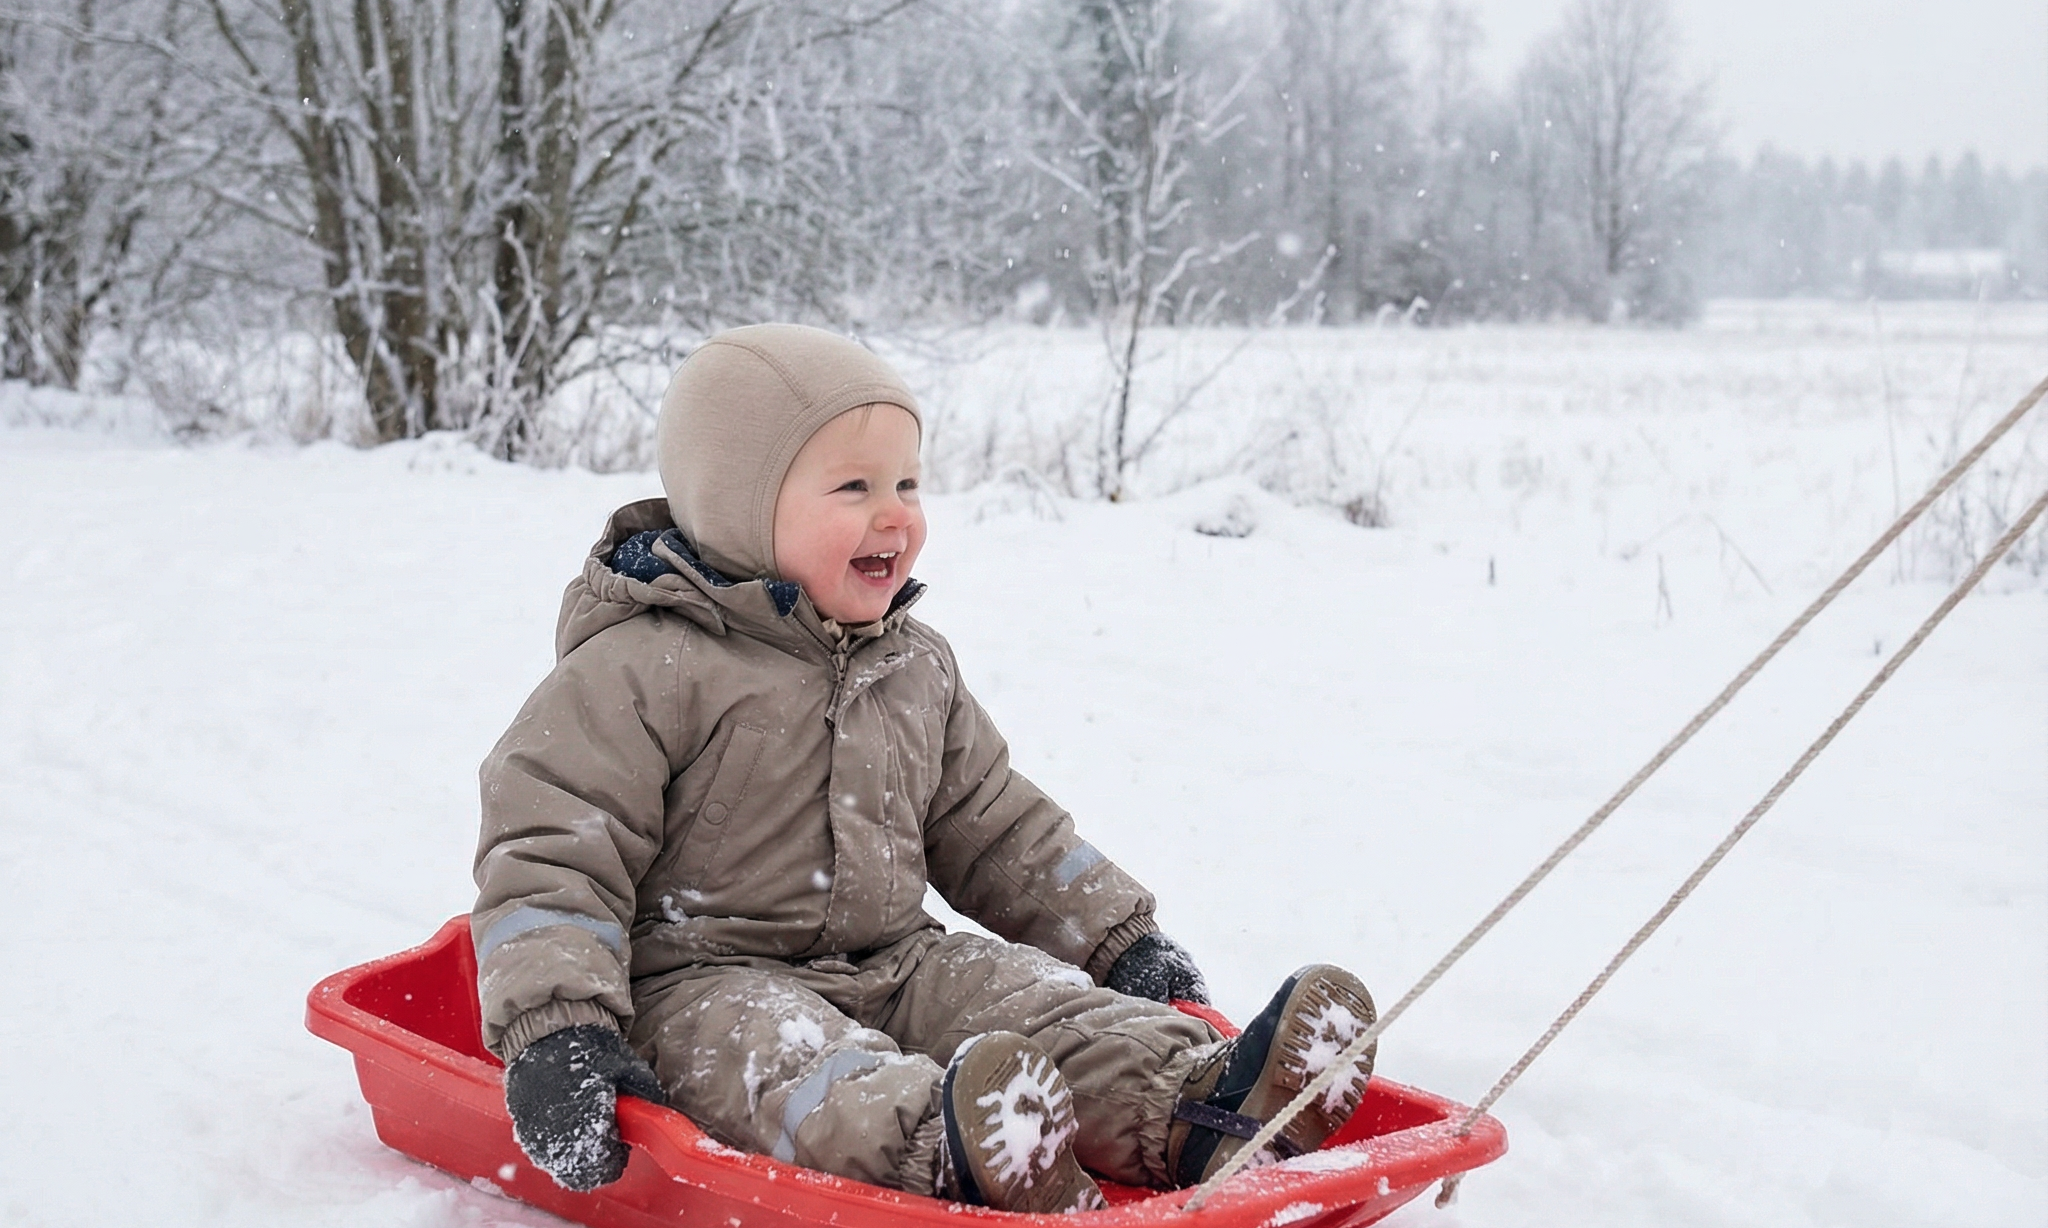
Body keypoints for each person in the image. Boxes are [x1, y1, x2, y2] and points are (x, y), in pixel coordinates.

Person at [470, 324, 1377, 1214]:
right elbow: (551, 854)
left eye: (908, 481)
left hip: (895, 962)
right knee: (792, 1064)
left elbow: (997, 825)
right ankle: (957, 1153)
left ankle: (1196, 1105)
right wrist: (560, 1033)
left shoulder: (911, 665)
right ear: (741, 508)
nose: (896, 514)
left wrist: (1117, 938)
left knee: (1021, 1004)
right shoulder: (643, 669)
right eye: (855, 486)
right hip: (698, 984)